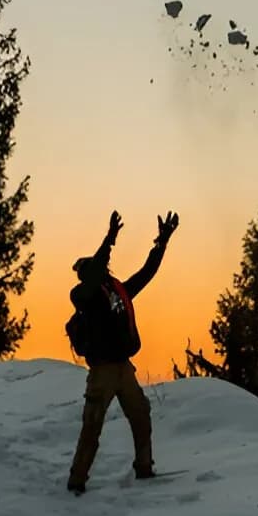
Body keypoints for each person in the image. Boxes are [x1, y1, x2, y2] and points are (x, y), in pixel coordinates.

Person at [66, 209, 179, 495]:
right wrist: (110, 239)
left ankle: (144, 468)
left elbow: (147, 273)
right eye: (98, 266)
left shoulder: (118, 291)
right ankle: (77, 481)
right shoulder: (83, 296)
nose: (105, 267)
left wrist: (161, 243)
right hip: (102, 371)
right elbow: (96, 270)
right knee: (92, 427)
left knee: (141, 415)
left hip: (123, 368)